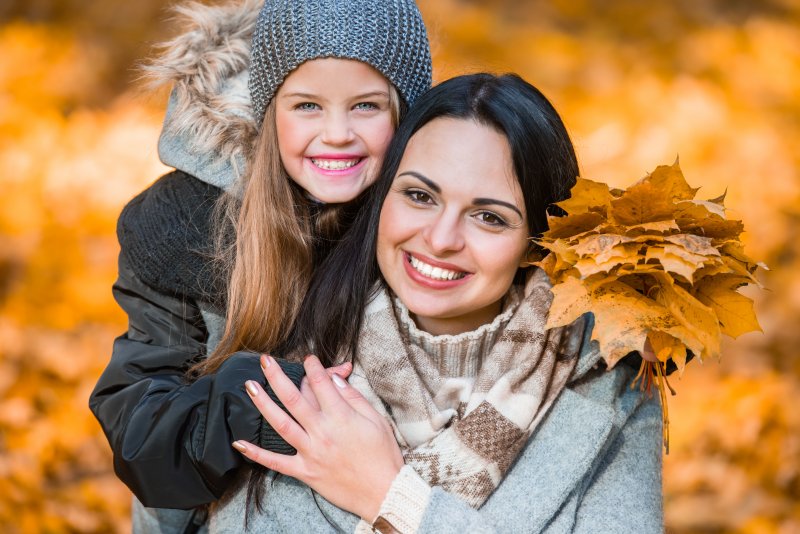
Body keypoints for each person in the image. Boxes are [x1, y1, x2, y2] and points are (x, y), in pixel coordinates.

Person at [221, 73, 664, 533]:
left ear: (538, 242)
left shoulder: (608, 379)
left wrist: (392, 498)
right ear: (381, 200)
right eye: (419, 195)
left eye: (489, 217)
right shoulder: (297, 356)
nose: (440, 238)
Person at [88, 0, 431, 531]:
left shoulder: (435, 219)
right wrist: (249, 400)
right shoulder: (187, 224)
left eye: (366, 106)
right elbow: (142, 441)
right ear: (267, 111)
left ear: (405, 115)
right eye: (307, 106)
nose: (337, 133)